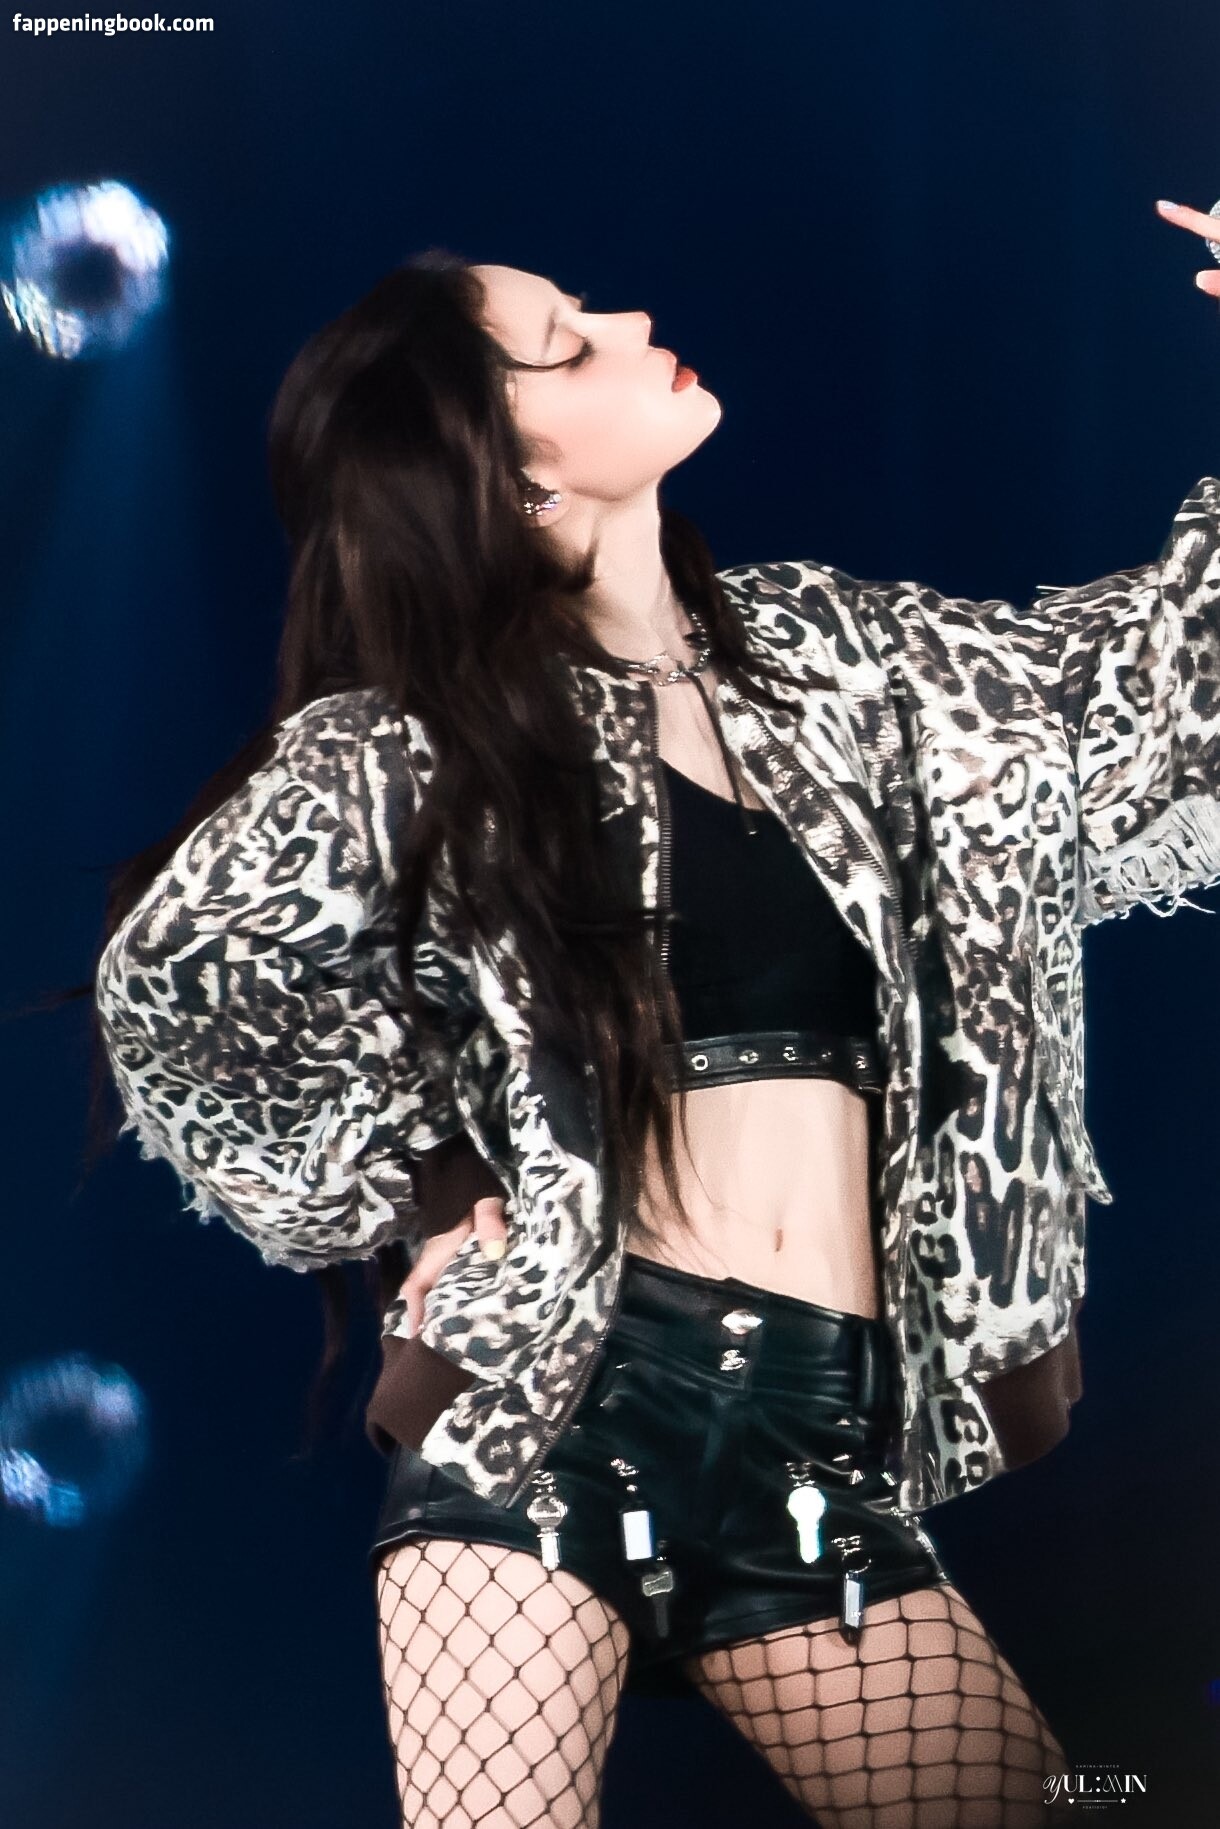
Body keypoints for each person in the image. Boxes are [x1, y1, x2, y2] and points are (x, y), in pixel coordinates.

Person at [93, 213, 1220, 1826]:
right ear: (513, 480)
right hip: (554, 1407)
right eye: (567, 340)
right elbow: (183, 976)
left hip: (817, 1446)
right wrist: (430, 1184)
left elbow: (1163, 687)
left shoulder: (856, 663)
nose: (626, 318)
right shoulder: (416, 749)